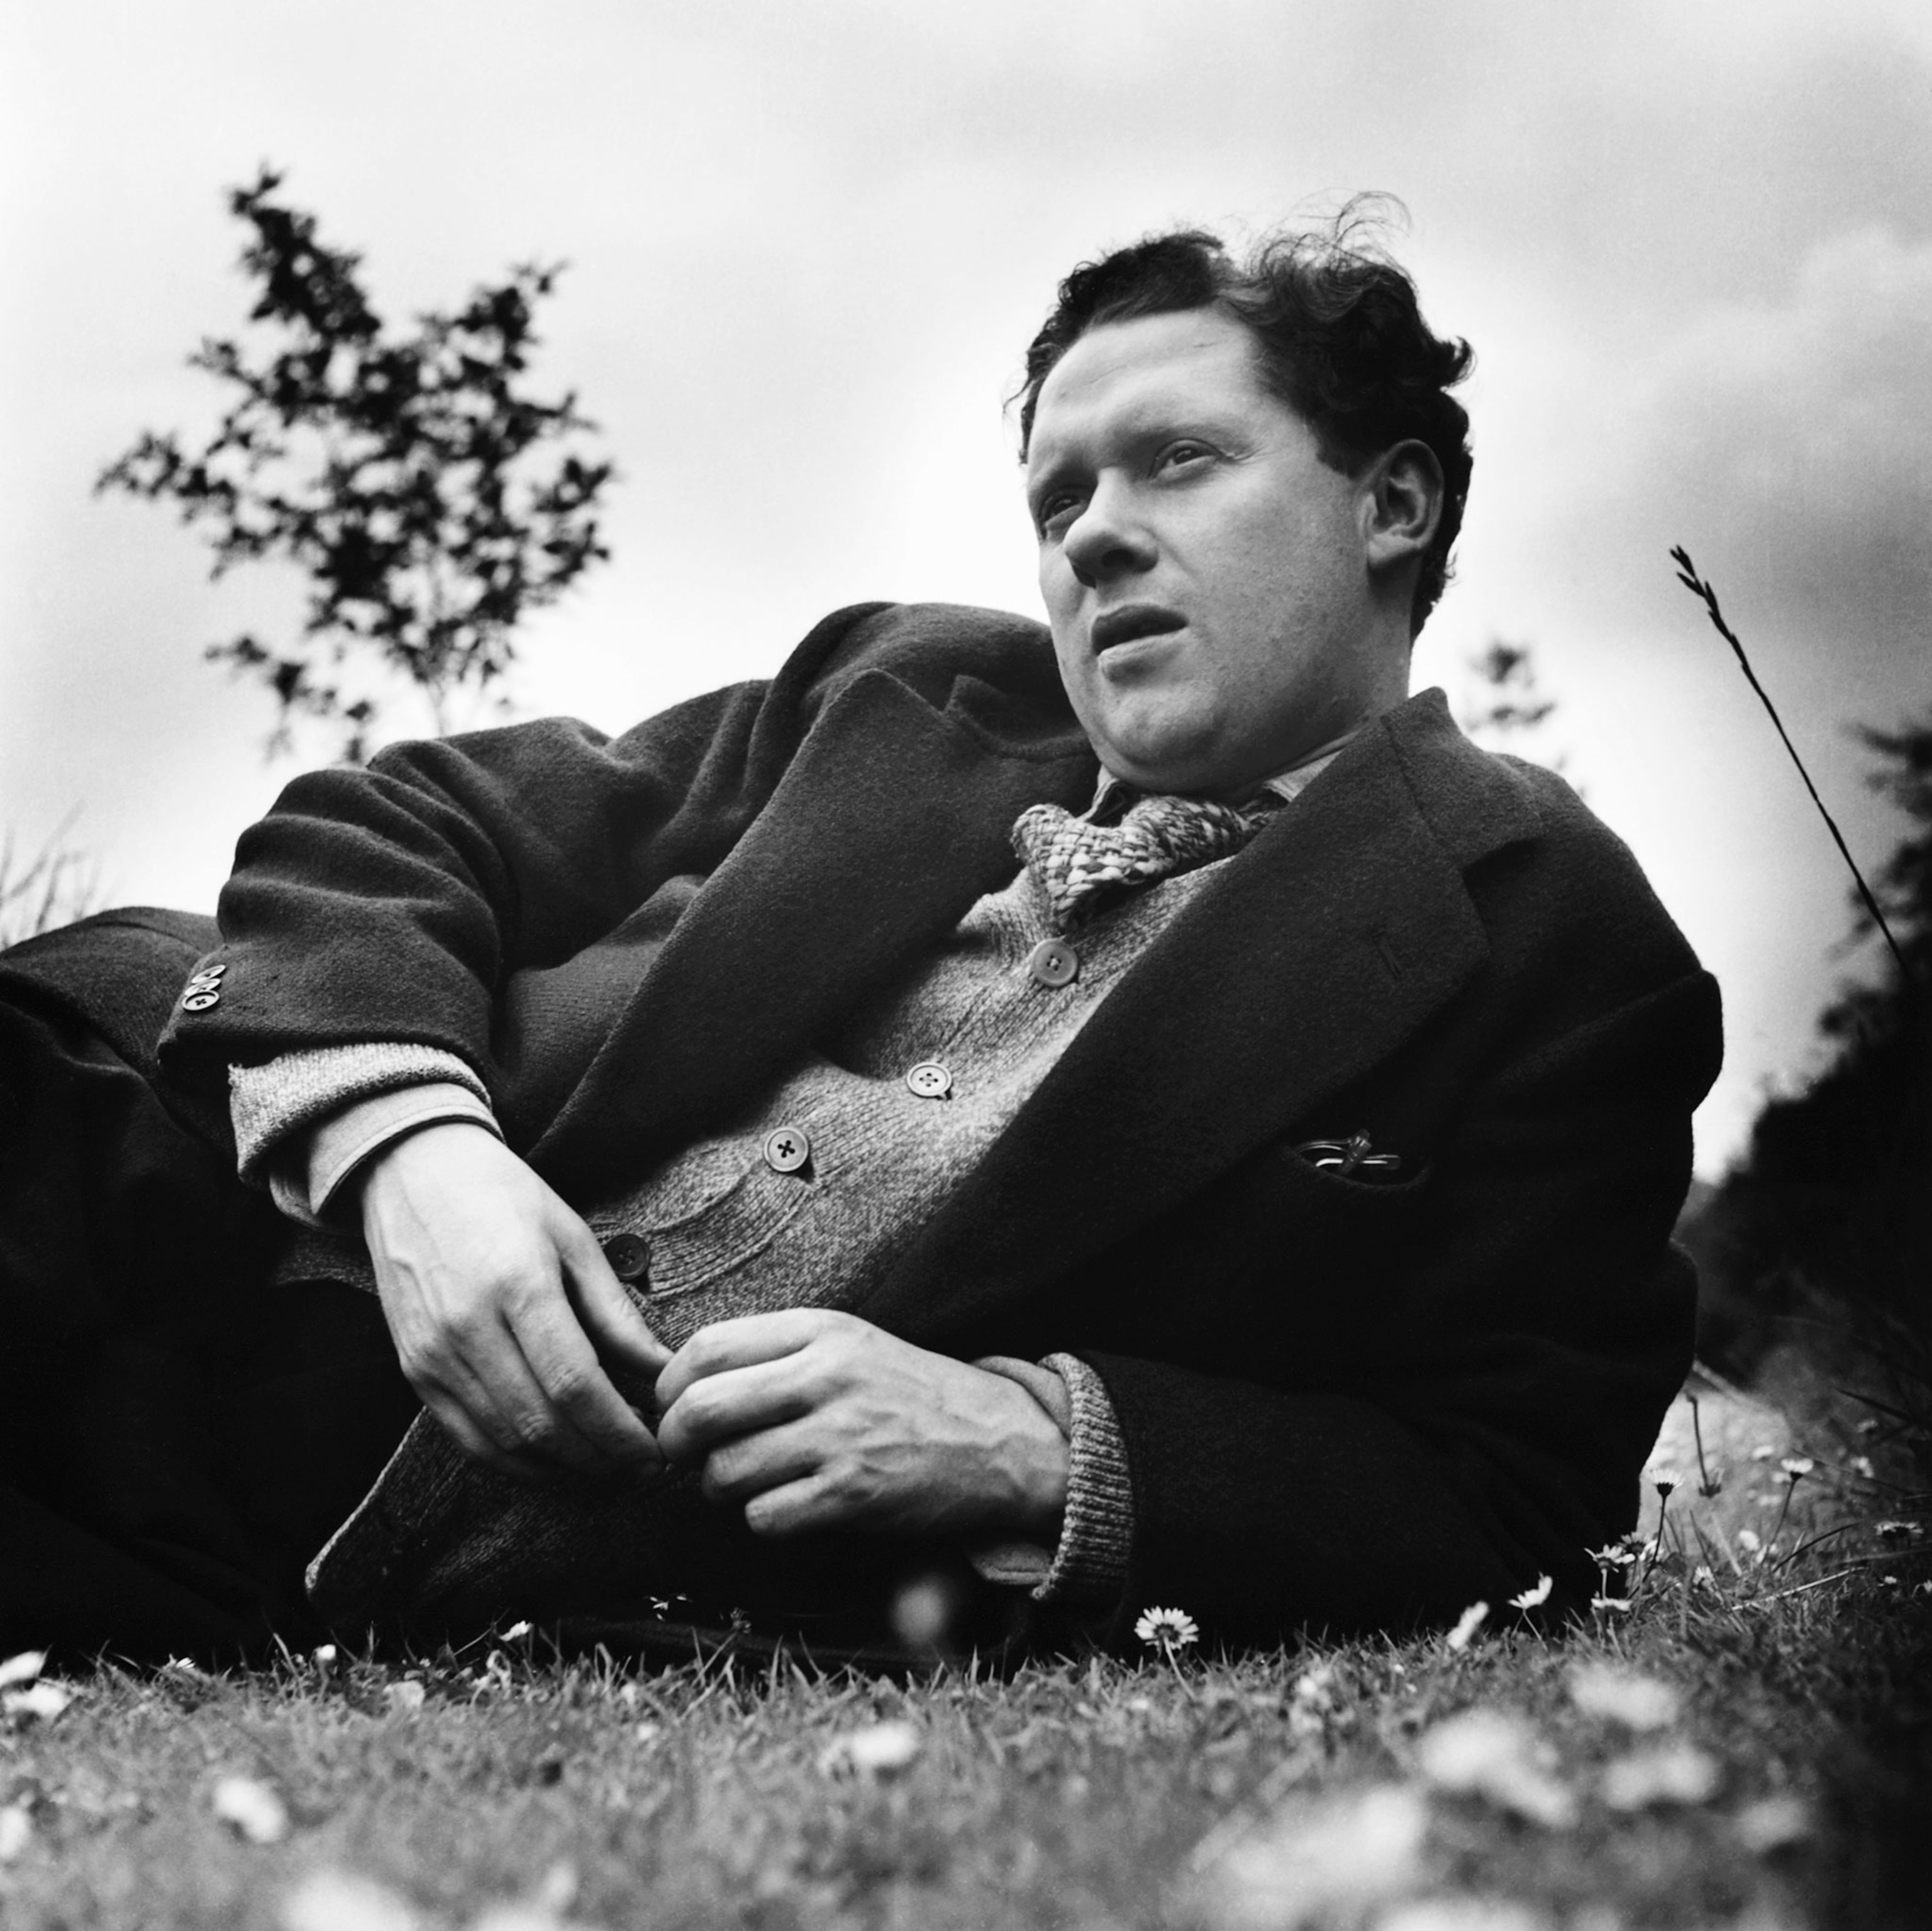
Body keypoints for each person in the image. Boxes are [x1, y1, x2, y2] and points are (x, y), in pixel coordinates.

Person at [0, 211, 1721, 1664]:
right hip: (177, 1205)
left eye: (1180, 462)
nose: (1095, 530)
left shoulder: (1548, 930)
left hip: (271, 1544)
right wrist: (412, 1156)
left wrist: (1042, 1448)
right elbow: (401, 819)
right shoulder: (903, 692)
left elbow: (1510, 1483)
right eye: (1058, 499)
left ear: (1393, 504)